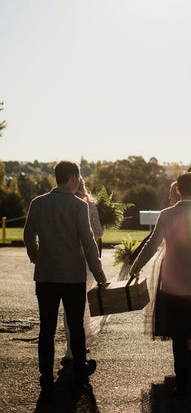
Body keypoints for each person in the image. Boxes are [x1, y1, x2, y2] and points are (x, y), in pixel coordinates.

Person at [129, 172, 191, 399]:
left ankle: (182, 380)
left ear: (177, 190)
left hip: (172, 284)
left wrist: (136, 267)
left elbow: (152, 244)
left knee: (179, 333)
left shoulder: (166, 214)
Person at [23, 160, 107, 395]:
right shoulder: (78, 205)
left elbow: (28, 234)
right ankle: (80, 371)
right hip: (73, 277)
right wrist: (99, 275)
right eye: (78, 177)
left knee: (47, 328)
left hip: (46, 275)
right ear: (73, 177)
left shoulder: (37, 203)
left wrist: (36, 257)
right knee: (75, 325)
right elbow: (89, 243)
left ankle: (45, 375)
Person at [62, 178, 106, 364]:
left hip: (63, 258)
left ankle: (71, 347)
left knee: (67, 308)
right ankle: (80, 346)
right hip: (83, 259)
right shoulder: (88, 206)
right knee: (82, 304)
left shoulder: (61, 203)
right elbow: (98, 232)